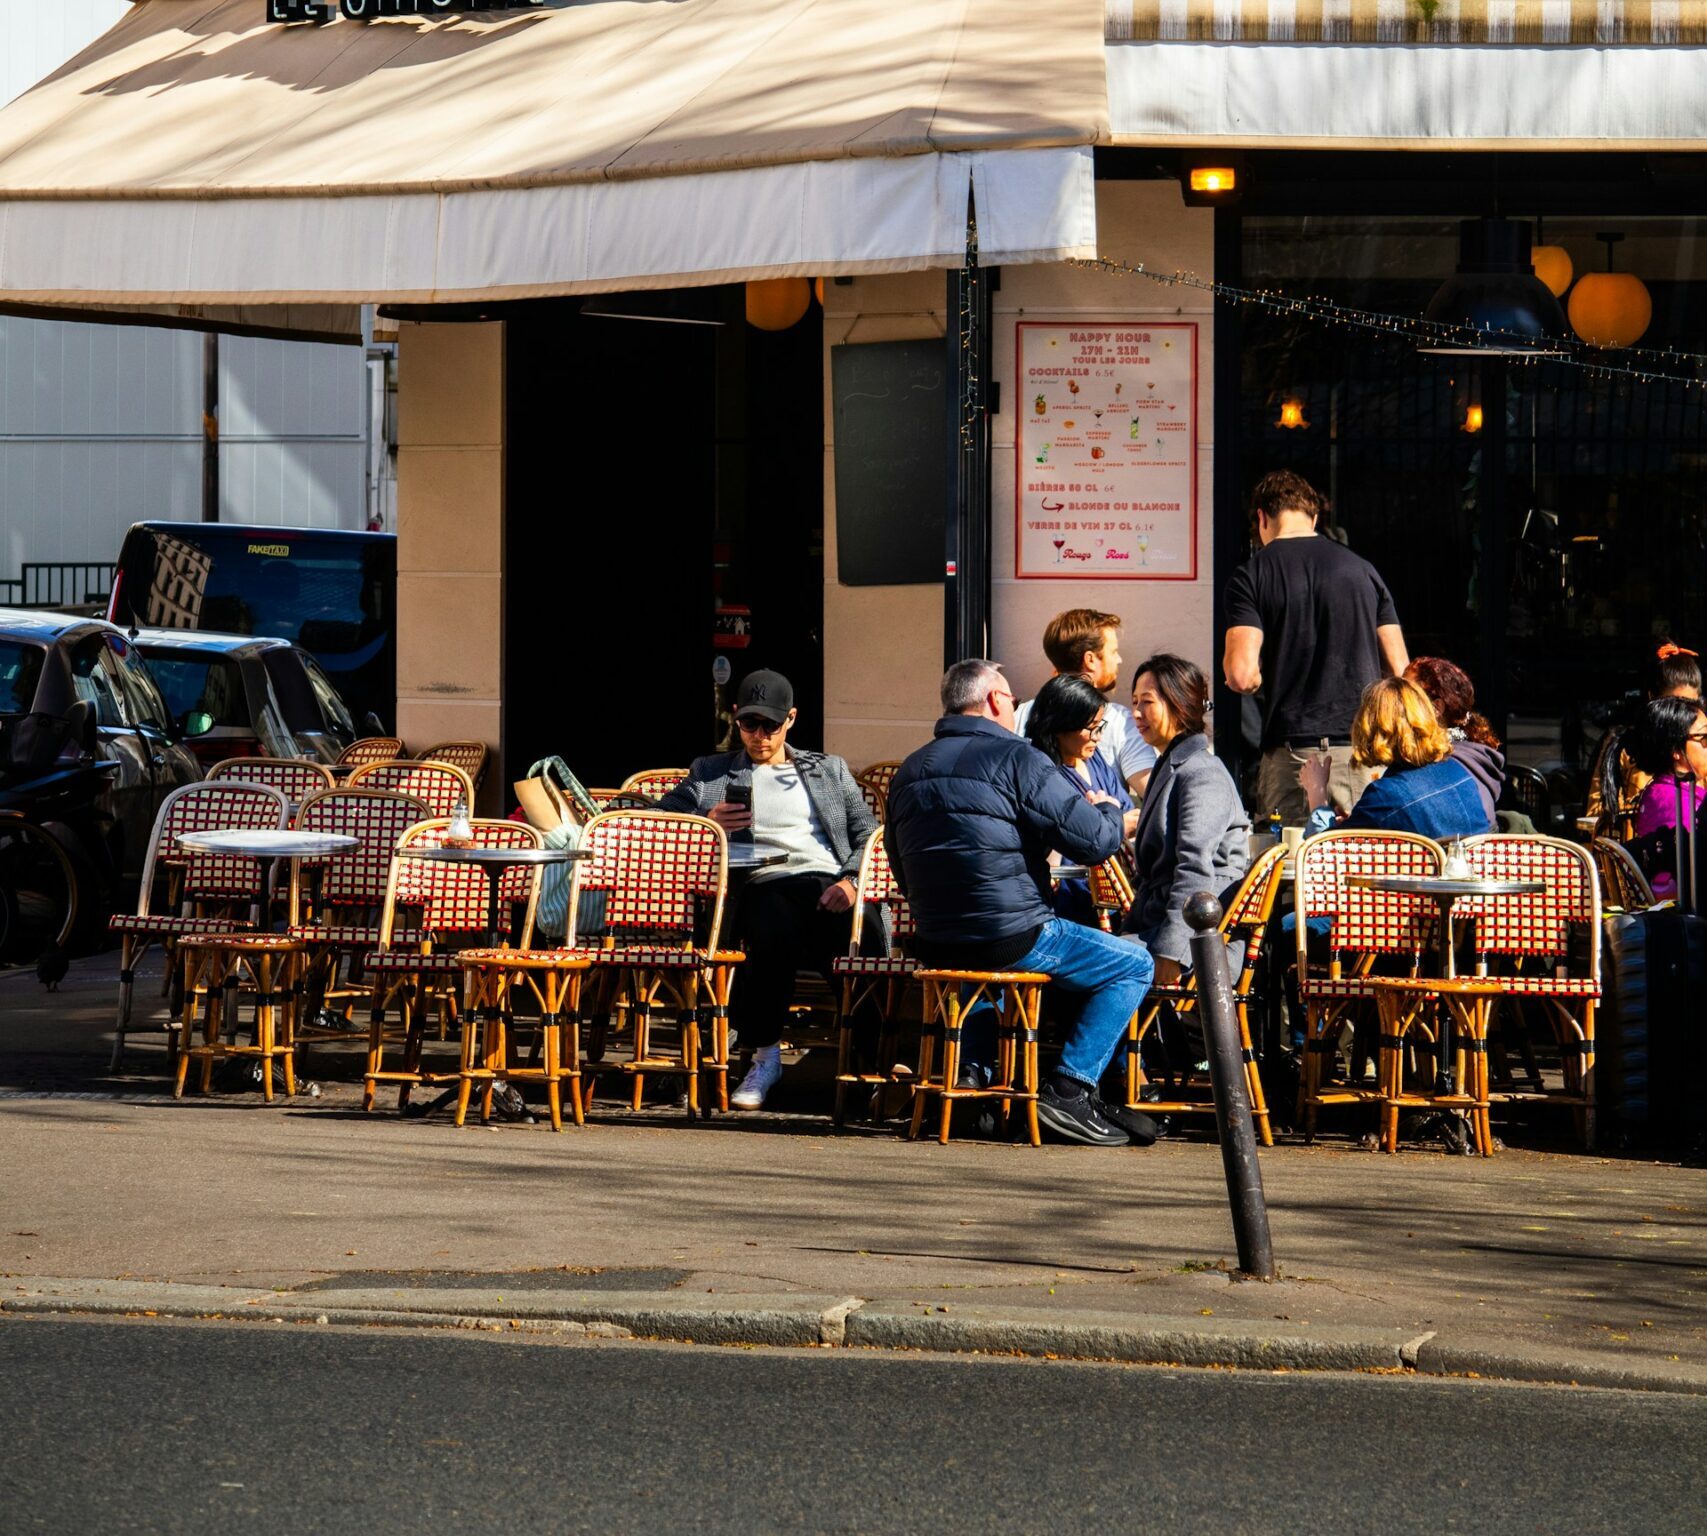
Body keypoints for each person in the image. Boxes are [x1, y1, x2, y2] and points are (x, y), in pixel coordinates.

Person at [884, 659, 1157, 1147]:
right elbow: (1093, 841)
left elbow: (899, 863)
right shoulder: (1016, 758)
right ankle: (1070, 1089)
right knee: (1134, 963)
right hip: (1011, 937)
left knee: (1007, 976)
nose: (1016, 709)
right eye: (1011, 699)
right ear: (993, 700)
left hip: (937, 943)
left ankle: (977, 1077)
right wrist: (1112, 809)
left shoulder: (910, 768)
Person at [657, 669, 882, 1109]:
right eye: (750, 725)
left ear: (791, 719)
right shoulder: (711, 773)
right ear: (736, 718)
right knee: (772, 918)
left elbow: (869, 833)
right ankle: (765, 1055)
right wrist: (707, 824)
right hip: (762, 884)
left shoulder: (827, 769)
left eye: (771, 726)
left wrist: (853, 881)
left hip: (829, 882)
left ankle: (869, 1061)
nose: (759, 736)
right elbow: (662, 818)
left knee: (865, 930)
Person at [1223, 470, 1409, 823]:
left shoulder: (1251, 576)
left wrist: (1272, 674)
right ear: (1315, 517)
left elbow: (1241, 676)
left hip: (1295, 758)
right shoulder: (1364, 571)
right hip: (1364, 753)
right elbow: (1401, 672)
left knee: (1297, 869)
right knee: (1362, 869)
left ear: (1262, 517)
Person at [1122, 655, 1250, 988]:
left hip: (1200, 943)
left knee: (1082, 965)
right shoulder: (1173, 765)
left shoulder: (1201, 772)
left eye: (1147, 703)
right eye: (1134, 702)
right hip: (1159, 926)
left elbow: (1195, 869)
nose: (1136, 713)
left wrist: (1171, 953)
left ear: (1178, 705)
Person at [1300, 677, 1492, 841]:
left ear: (1370, 728)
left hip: (1418, 884)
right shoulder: (1458, 773)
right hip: (1472, 880)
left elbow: (1324, 857)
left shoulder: (1384, 795)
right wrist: (1357, 821)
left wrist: (1317, 795)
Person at [1021, 674, 1135, 924]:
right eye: (1091, 728)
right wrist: (1111, 823)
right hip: (1067, 906)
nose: (1098, 737)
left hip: (1113, 900)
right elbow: (1077, 838)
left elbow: (1128, 813)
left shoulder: (1094, 760)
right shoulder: (1042, 774)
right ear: (1060, 726)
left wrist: (1108, 821)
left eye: (1100, 726)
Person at [1014, 609, 1157, 798]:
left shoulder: (1020, 714)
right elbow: (1153, 794)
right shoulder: (1119, 721)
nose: (1119, 659)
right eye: (1113, 652)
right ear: (1090, 659)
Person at [1586, 643, 1702, 827]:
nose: (1683, 714)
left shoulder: (1700, 747)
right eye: (1674, 704)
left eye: (1691, 705)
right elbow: (1597, 816)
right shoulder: (1624, 747)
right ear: (1652, 698)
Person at [1403, 657, 1506, 828]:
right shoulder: (1474, 756)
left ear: (1437, 708)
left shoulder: (1442, 766)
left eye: (1404, 695)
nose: (1393, 701)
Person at [1627, 694, 1707, 902]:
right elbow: (1669, 884)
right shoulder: (1671, 802)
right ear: (1676, 750)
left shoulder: (1675, 791)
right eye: (1705, 739)